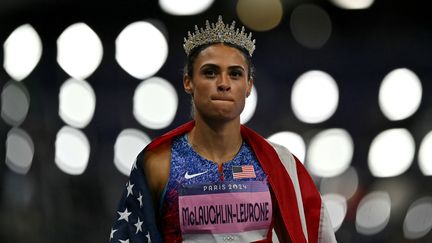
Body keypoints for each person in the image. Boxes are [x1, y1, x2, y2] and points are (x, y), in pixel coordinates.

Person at [109, 16, 337, 243]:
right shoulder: (158, 163)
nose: (224, 83)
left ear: (248, 85)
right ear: (188, 82)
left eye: (235, 74)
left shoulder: (280, 163)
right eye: (210, 72)